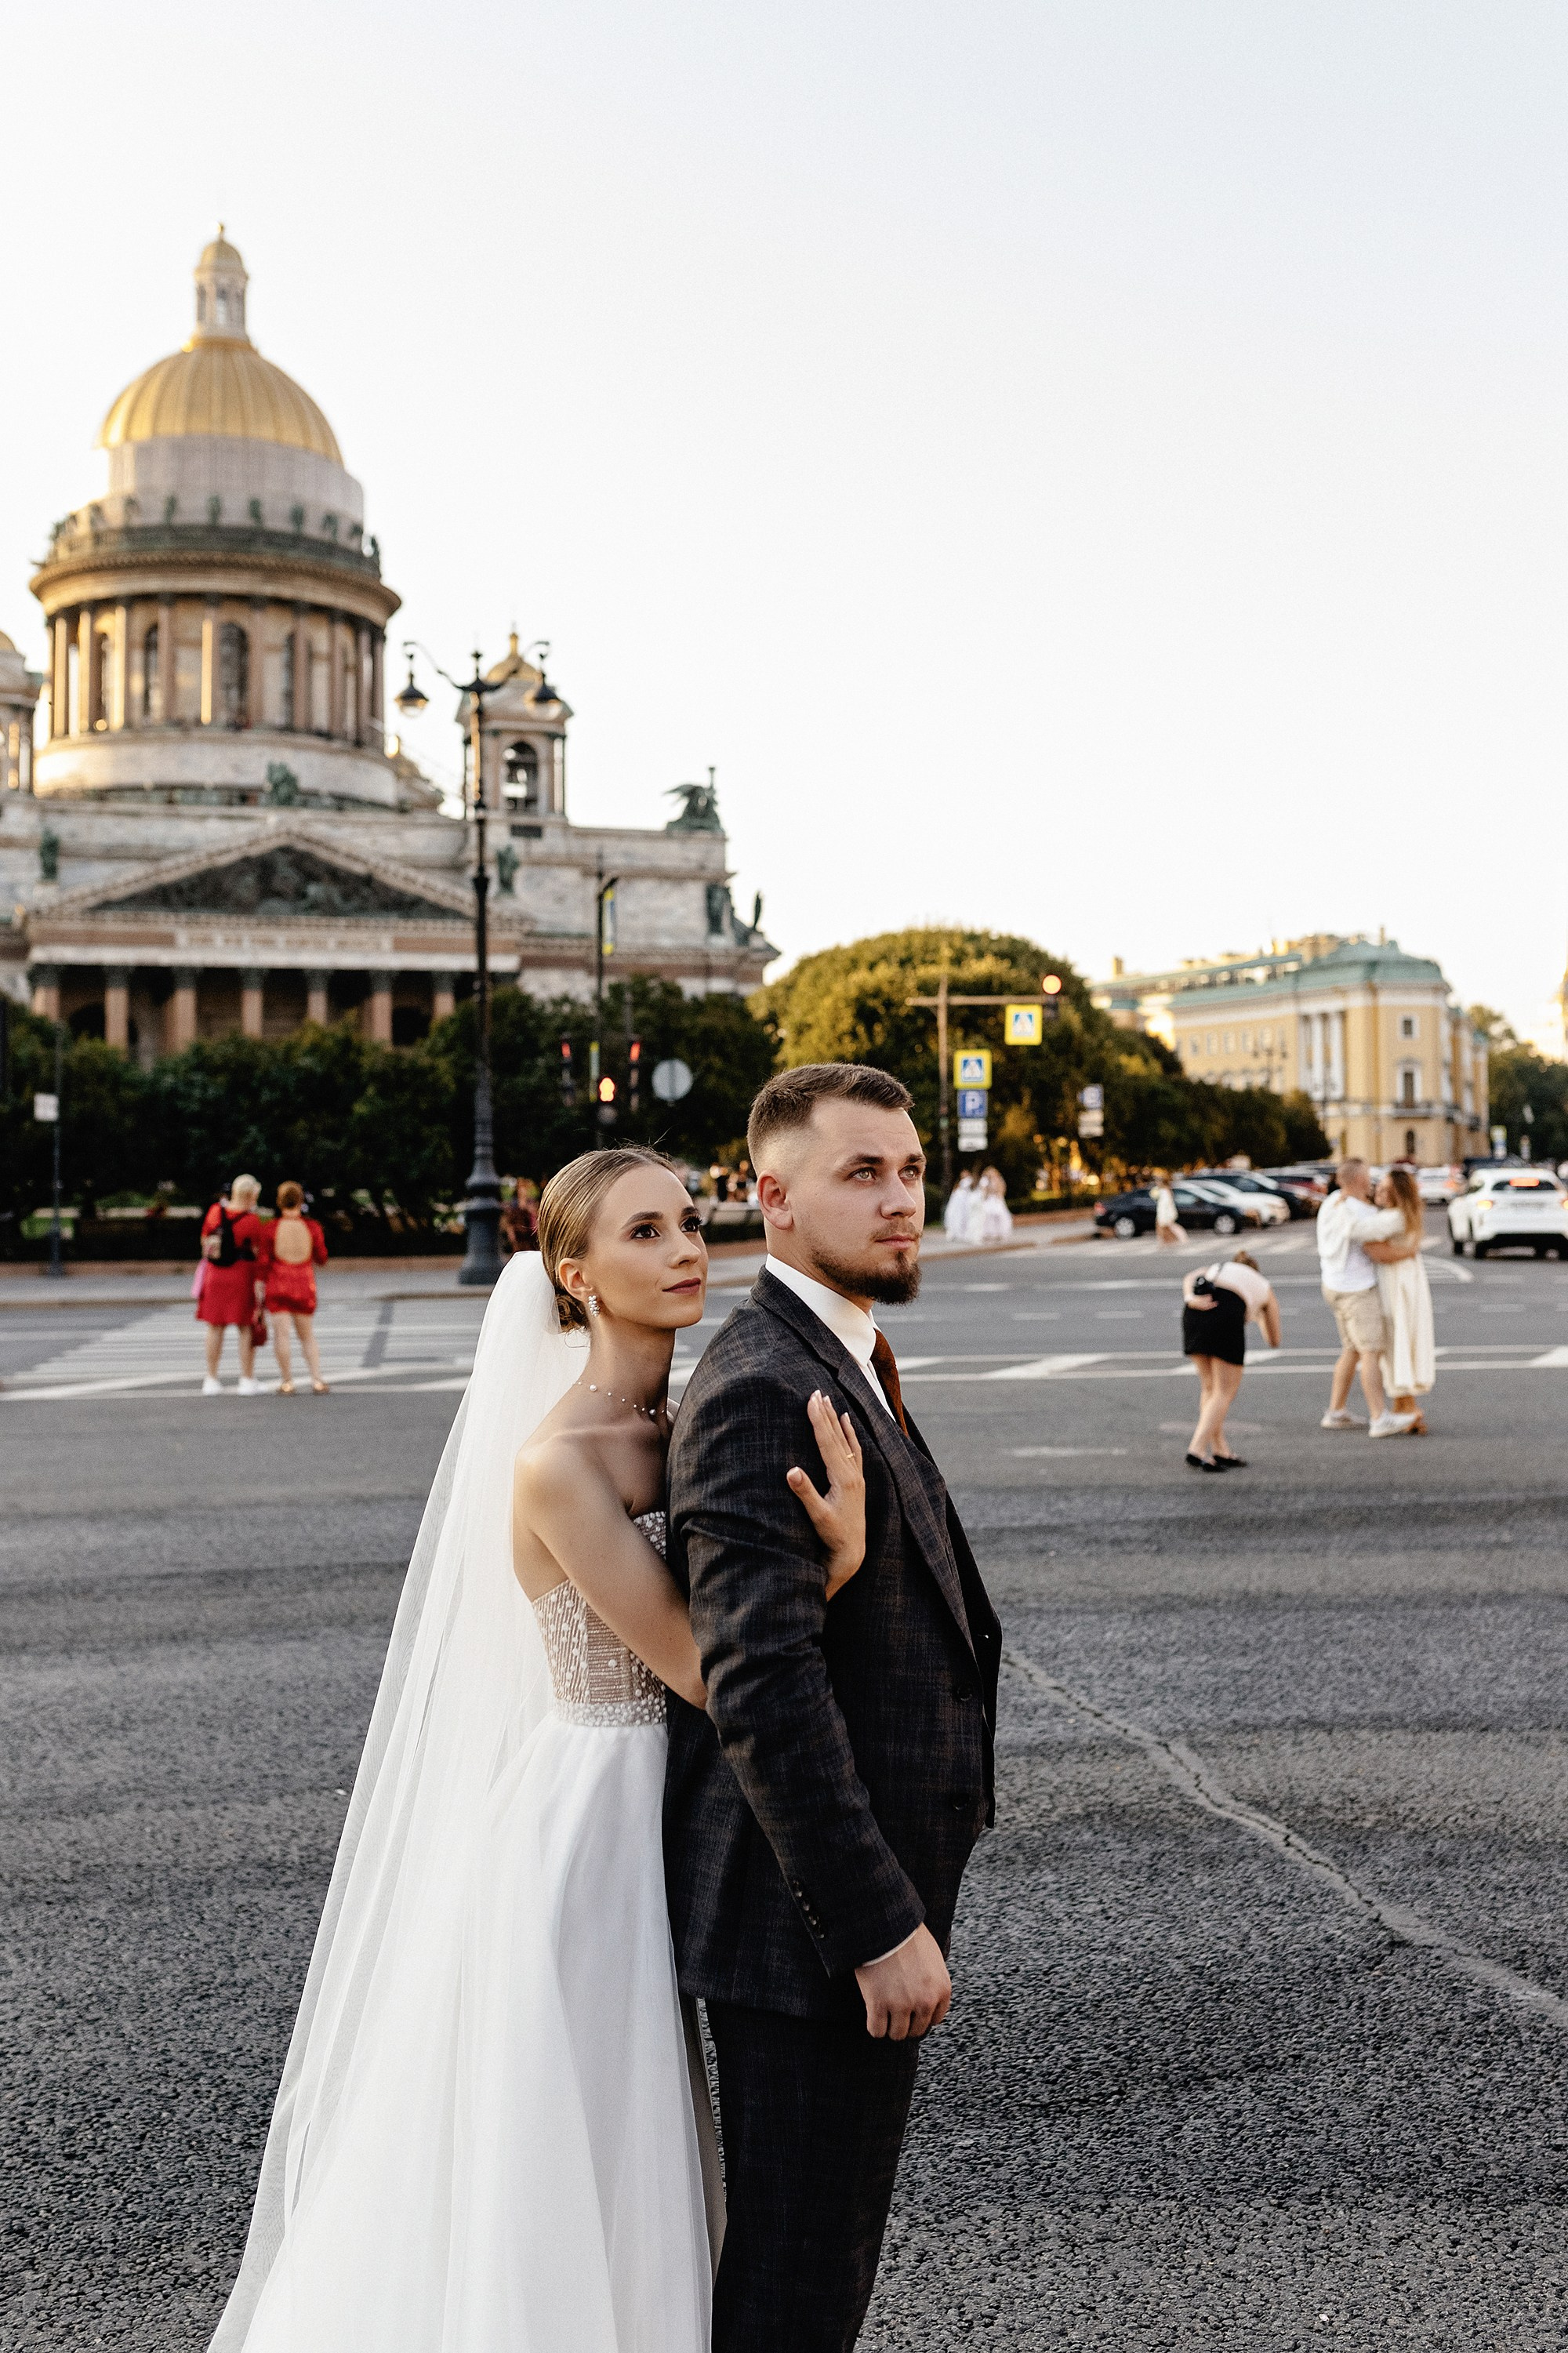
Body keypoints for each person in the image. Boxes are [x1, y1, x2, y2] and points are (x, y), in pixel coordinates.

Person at [209, 1146, 866, 2352]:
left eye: (688, 1222)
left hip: (662, 1800)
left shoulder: (689, 1418)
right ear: (576, 1273)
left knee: (649, 2130)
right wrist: (837, 1563)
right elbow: (698, 1666)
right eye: (644, 1233)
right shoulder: (560, 1461)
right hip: (589, 1826)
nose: (685, 1250)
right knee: (587, 2138)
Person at [666, 1063, 1002, 2353]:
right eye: (863, 1173)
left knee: (815, 2263)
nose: (903, 1199)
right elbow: (761, 1687)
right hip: (806, 1930)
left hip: (822, 1911)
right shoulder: (768, 1384)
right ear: (774, 1197)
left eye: (911, 1169)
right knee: (799, 2284)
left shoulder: (837, 1347)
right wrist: (873, 1926)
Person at [1316, 1157, 1418, 1437]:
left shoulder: (1332, 1202)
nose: (1373, 1182)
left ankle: (1336, 1411)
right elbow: (1375, 1249)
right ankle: (1379, 1417)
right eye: (1369, 1176)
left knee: (1351, 1350)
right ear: (1361, 1180)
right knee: (1371, 1352)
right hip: (1357, 1290)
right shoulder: (1362, 1212)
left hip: (1332, 1285)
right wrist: (1408, 1252)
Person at [1180, 1247, 1281, 1469]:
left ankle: (1220, 1450)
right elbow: (1274, 1340)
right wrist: (1260, 1314)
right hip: (1227, 1314)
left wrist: (1189, 1298)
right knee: (1224, 1392)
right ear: (1255, 1270)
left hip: (1194, 1310)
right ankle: (1197, 1449)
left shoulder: (1219, 1268)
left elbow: (1190, 1276)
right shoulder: (1263, 1285)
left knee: (1210, 1389)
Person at [1371, 1165, 1433, 1433]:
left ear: (1397, 1193)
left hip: (1397, 1284)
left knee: (1397, 1341)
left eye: (1385, 1189)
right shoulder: (1407, 1214)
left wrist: (1344, 1203)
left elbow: (1357, 1231)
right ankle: (1404, 1407)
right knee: (1402, 1341)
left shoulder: (1393, 1218)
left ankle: (1408, 1410)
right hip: (1408, 1281)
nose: (1379, 1192)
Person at [255, 1182, 329, 1396]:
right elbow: (322, 1258)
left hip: (278, 1284)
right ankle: (317, 1379)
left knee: (282, 1335)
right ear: (301, 1201)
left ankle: (287, 1381)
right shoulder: (312, 1227)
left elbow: (263, 1262)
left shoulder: (271, 1228)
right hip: (304, 1284)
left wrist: (258, 1289)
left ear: (279, 1202)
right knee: (307, 1336)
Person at [198, 1175, 263, 1396]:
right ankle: (247, 1379)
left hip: (215, 1275)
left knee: (215, 1327)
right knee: (245, 1327)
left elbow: (205, 1241)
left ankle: (211, 1379)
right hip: (242, 1275)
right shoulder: (252, 1220)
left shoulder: (215, 1211)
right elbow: (257, 1252)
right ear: (251, 1195)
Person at [976, 1164, 1013, 1243]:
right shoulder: (985, 1181)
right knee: (987, 1216)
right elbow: (984, 1192)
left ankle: (1000, 1233)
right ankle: (988, 1234)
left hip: (997, 1200)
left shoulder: (998, 1180)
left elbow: (1001, 1190)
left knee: (1000, 1215)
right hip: (989, 1200)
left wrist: (996, 1193)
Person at [1152, 1171, 1186, 1247]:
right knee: (1165, 1227)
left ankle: (1180, 1238)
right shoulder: (1162, 1190)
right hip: (1163, 1212)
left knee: (1170, 1227)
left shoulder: (1165, 1191)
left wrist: (1165, 1215)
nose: (1157, 1183)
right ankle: (1166, 1241)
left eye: (1158, 1181)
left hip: (1165, 1213)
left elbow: (1166, 1204)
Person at [943, 1169, 976, 1240]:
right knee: (956, 1215)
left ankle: (962, 1232)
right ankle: (955, 1232)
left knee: (963, 1216)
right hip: (958, 1200)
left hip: (963, 1201)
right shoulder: (960, 1184)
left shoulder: (969, 1180)